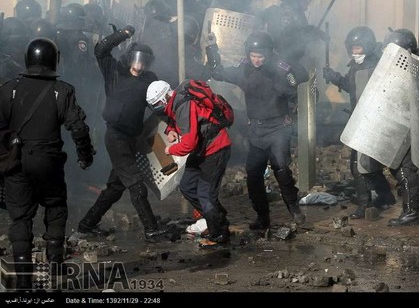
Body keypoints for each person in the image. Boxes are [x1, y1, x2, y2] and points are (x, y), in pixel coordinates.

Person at [0, 38, 95, 291]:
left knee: (20, 218)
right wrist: (86, 156)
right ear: (54, 60)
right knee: (55, 207)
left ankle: (23, 279)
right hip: (48, 161)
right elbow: (79, 128)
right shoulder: (61, 91)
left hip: (17, 162)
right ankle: (54, 266)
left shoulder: (8, 89)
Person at [77, 25, 169, 240]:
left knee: (115, 188)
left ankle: (87, 224)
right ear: (129, 58)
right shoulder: (115, 71)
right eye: (137, 59)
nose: (139, 65)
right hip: (116, 136)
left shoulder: (149, 79)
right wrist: (123, 34)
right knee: (137, 186)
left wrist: (171, 126)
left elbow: (159, 106)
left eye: (144, 61)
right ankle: (151, 229)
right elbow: (100, 50)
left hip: (132, 138)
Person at [206, 31, 306, 229]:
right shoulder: (244, 69)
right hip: (256, 130)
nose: (256, 60)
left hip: (278, 128)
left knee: (281, 169)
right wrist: (212, 49)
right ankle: (262, 217)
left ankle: (294, 208)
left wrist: (296, 116)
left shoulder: (281, 70)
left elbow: (300, 93)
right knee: (253, 174)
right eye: (253, 56)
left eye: (260, 56)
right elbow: (218, 72)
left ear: (268, 53)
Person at [146, 79, 233, 248]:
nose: (156, 109)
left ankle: (219, 235)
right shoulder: (176, 101)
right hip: (202, 150)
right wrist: (171, 130)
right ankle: (217, 218)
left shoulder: (183, 104)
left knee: (206, 195)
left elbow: (188, 144)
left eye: (157, 105)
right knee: (187, 186)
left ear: (164, 98)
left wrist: (170, 150)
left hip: (216, 149)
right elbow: (180, 121)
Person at [323, 26, 396, 219]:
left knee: (358, 166)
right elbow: (352, 86)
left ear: (368, 46)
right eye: (352, 48)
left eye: (358, 48)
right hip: (361, 120)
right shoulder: (358, 66)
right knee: (368, 163)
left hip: (373, 121)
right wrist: (335, 78)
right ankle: (385, 196)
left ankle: (365, 205)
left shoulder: (376, 66)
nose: (355, 52)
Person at [382, 29, 419, 226]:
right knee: (404, 168)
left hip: (410, 128)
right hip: (401, 125)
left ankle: (411, 211)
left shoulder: (416, 68)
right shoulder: (407, 65)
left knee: (404, 170)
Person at [260, 0, 326, 67]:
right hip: (284, 64)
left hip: (289, 61)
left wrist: (314, 32)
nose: (309, 2)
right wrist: (311, 33)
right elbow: (288, 39)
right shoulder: (289, 14)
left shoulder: (296, 12)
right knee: (300, 75)